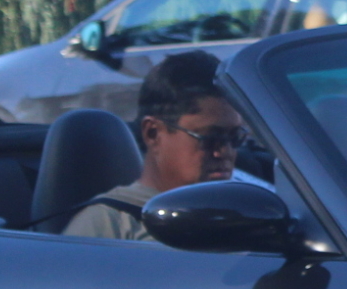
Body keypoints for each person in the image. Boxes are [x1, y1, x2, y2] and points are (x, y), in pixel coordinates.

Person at [64, 50, 247, 239]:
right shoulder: (110, 225)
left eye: (235, 137)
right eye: (210, 138)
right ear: (153, 133)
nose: (225, 152)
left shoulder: (249, 212)